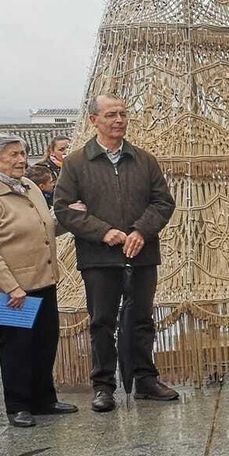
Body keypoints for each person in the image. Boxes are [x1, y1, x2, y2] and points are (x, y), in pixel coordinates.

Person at [53, 94, 179, 412]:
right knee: (102, 322)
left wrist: (141, 231)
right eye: (111, 115)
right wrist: (103, 231)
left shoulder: (144, 160)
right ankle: (103, 386)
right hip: (98, 257)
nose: (119, 120)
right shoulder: (76, 163)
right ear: (94, 120)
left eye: (123, 113)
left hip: (141, 253)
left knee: (142, 319)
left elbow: (163, 202)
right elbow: (64, 209)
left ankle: (145, 379)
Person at [0, 134, 79, 428]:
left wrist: (69, 216)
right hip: (13, 289)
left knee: (44, 342)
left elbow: (45, 226)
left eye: (23, 153)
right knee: (16, 347)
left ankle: (44, 399)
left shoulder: (28, 185)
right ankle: (18, 405)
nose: (21, 160)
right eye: (13, 155)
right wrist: (11, 287)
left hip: (43, 279)